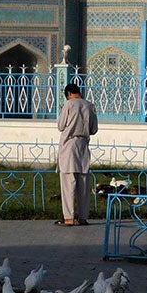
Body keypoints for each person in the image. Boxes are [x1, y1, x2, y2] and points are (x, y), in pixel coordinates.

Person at [55, 80, 98, 226]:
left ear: (68, 94)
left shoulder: (68, 104)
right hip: (83, 145)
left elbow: (61, 126)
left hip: (69, 145)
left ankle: (69, 217)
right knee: (83, 183)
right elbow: (93, 129)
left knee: (68, 183)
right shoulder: (90, 105)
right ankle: (83, 217)